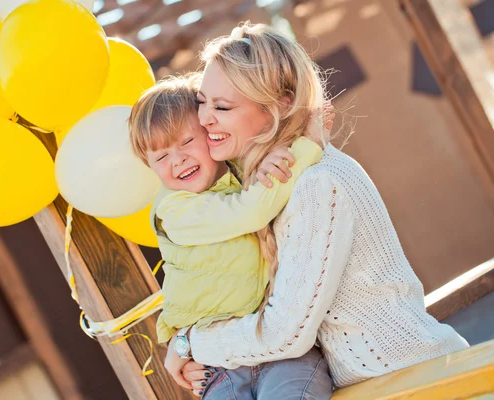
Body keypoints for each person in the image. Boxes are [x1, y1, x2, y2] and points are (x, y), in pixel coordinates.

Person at [161, 22, 469, 398]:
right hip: (387, 385)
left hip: (428, 382)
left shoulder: (317, 184)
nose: (205, 118)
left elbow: (285, 332)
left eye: (222, 106)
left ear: (281, 105)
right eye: (202, 102)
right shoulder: (268, 190)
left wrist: (191, 342)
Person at [129, 75, 332, 399]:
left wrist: (267, 162)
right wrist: (309, 145)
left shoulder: (239, 174)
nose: (177, 159)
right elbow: (249, 212)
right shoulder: (175, 210)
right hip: (217, 362)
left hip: (282, 353)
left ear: (211, 135)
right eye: (161, 157)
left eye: (185, 142)